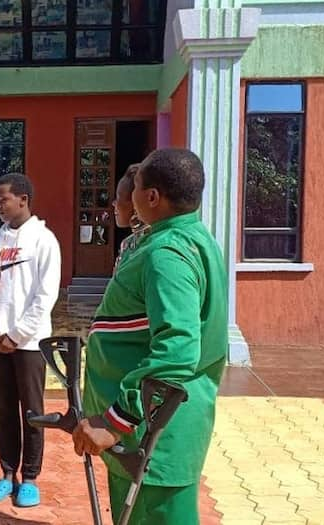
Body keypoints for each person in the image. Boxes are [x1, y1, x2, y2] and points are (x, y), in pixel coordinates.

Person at [74, 148, 228, 524]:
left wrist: (114, 421)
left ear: (152, 197)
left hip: (152, 434)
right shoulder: (187, 237)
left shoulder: (167, 254)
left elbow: (177, 350)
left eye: (137, 186)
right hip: (151, 432)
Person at [0, 173, 61, 508]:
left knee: (32, 411)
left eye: (4, 198)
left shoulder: (44, 240)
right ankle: (7, 472)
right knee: (3, 409)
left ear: (24, 199)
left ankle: (29, 477)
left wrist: (17, 334)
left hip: (28, 344)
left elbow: (46, 296)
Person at [112, 163, 149, 275]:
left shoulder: (147, 249)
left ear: (135, 204)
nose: (114, 203)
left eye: (119, 197)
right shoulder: (130, 244)